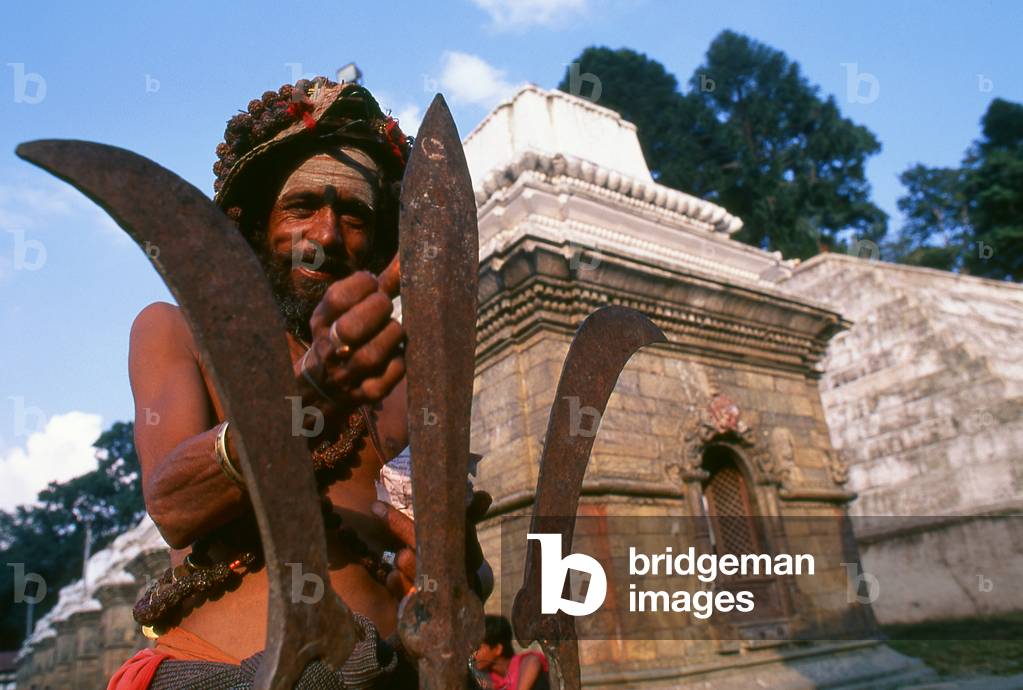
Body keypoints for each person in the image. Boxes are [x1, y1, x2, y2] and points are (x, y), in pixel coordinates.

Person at [108, 77, 488, 689]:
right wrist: (310, 395)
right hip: (235, 673)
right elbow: (174, 505)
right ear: (258, 225)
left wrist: (456, 561)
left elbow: (456, 569)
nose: (329, 235)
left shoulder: (395, 374)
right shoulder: (177, 331)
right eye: (303, 207)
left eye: (355, 216)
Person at [473, 616, 549, 690]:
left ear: (497, 649)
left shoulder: (525, 663)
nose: (473, 654)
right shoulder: (489, 679)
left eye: (478, 648)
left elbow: (533, 661)